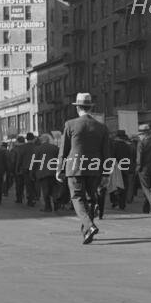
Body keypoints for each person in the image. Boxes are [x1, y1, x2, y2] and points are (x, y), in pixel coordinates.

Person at [57, 92, 110, 244]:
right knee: (91, 199)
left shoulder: (70, 124)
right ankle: (87, 232)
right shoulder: (102, 127)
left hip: (75, 168)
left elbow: (63, 150)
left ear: (77, 107)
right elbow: (106, 153)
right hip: (95, 169)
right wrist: (106, 173)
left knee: (77, 198)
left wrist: (59, 169)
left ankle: (89, 226)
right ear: (90, 108)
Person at [136, 124, 151, 214]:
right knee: (150, 189)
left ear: (143, 134)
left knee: (146, 189)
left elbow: (139, 158)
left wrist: (138, 168)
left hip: (144, 169)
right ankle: (147, 208)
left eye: (140, 134)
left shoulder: (141, 143)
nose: (139, 136)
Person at [33, 133, 60, 212]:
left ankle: (48, 207)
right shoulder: (55, 148)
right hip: (54, 172)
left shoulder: (37, 149)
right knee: (54, 189)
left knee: (45, 190)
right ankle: (56, 204)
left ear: (41, 140)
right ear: (48, 140)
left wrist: (32, 172)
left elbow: (34, 162)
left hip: (42, 173)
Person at [110, 130, 133, 211]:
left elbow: (111, 156)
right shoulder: (128, 146)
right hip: (125, 168)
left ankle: (115, 202)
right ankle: (122, 204)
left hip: (115, 168)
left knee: (114, 185)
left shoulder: (113, 145)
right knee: (124, 186)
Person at [15, 132, 38, 206]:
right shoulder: (36, 147)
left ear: (26, 139)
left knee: (28, 184)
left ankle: (30, 199)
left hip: (26, 168)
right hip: (35, 168)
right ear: (33, 139)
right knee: (35, 184)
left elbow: (19, 159)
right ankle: (34, 197)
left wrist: (17, 168)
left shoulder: (22, 147)